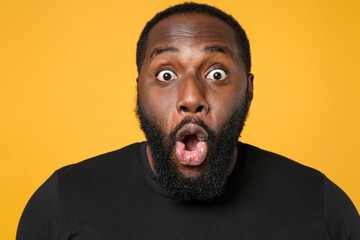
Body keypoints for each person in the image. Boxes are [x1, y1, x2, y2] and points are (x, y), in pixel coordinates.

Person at [17, 2, 359, 239]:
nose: (192, 98)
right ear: (139, 90)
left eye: (217, 73)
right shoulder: (63, 202)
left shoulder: (320, 206)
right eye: (166, 74)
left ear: (249, 89)